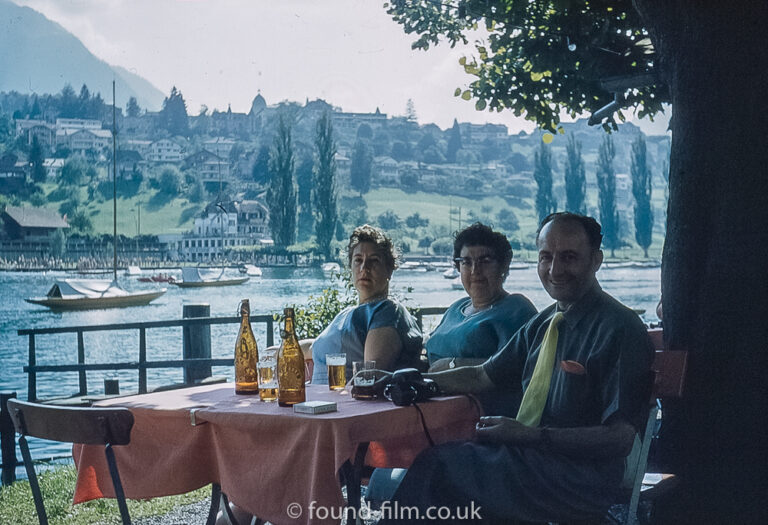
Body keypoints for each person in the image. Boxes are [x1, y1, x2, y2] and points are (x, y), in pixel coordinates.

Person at [377, 212, 654, 524]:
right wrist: (414, 381)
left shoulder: (620, 328)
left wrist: (531, 436)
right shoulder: (544, 322)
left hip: (580, 478)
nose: (555, 269)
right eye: (546, 257)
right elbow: (483, 374)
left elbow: (619, 438)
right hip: (531, 461)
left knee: (439, 467)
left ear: (596, 260)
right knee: (443, 470)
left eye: (569, 257)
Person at [427, 222, 537, 415]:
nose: (475, 271)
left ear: (503, 265)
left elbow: (513, 369)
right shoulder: (456, 308)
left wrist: (453, 364)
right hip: (430, 409)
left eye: (485, 261)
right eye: (466, 262)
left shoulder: (516, 310)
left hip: (481, 419)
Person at [310, 224, 423, 384]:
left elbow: (370, 379)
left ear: (390, 269)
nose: (364, 268)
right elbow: (316, 346)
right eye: (358, 260)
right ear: (351, 267)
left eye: (374, 261)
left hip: (341, 405)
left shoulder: (387, 312)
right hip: (318, 403)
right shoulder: (347, 313)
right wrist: (278, 350)